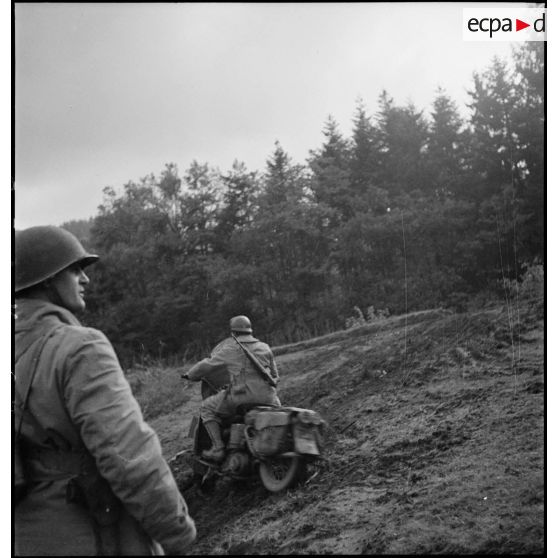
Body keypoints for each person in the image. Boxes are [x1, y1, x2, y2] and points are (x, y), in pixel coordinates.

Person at [14, 225, 196, 556]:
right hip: (89, 534)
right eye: (74, 269)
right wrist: (177, 534)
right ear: (45, 279)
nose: (85, 279)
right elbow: (130, 458)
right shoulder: (80, 347)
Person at [184, 315, 281, 462]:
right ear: (250, 331)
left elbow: (206, 365)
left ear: (233, 333)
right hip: (269, 397)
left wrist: (190, 375)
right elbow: (275, 376)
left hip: (241, 397)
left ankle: (218, 448)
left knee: (206, 408)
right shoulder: (265, 347)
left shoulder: (230, 348)